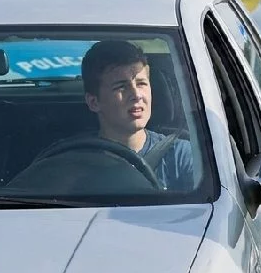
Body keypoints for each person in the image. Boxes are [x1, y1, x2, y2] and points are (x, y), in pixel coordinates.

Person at [80, 40, 194, 191]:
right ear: (94, 102)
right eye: (121, 86)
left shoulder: (181, 155)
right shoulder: (75, 163)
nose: (136, 95)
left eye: (141, 84)